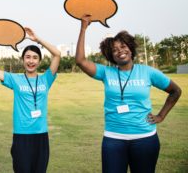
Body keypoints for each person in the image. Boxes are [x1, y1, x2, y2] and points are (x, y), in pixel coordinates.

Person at [75, 14, 182, 173]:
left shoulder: (147, 72)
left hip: (145, 139)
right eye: (115, 50)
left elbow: (175, 91)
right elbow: (81, 61)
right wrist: (83, 28)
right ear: (111, 55)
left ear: (131, 49)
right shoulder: (106, 72)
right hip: (114, 139)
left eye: (123, 47)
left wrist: (161, 116)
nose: (120, 51)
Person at [0, 27, 61, 173]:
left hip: (41, 136)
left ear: (39, 61)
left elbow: (57, 54)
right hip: (21, 136)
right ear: (22, 59)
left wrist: (37, 39)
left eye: (34, 57)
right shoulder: (15, 79)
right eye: (27, 57)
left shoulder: (46, 79)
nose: (31, 61)